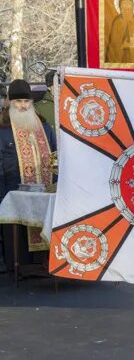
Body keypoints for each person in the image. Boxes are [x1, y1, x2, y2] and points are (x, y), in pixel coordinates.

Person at [0, 79, 56, 273]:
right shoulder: (3, 129)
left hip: (43, 191)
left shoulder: (44, 127)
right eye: (18, 102)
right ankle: (20, 267)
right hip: (13, 191)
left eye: (26, 101)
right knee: (17, 238)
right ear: (10, 102)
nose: (22, 106)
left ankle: (43, 264)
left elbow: (55, 157)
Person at [105, 0, 134, 64]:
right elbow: (113, 45)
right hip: (118, 59)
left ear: (132, 6)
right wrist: (123, 45)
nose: (126, 7)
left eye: (128, 4)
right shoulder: (117, 22)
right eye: (124, 4)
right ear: (120, 7)